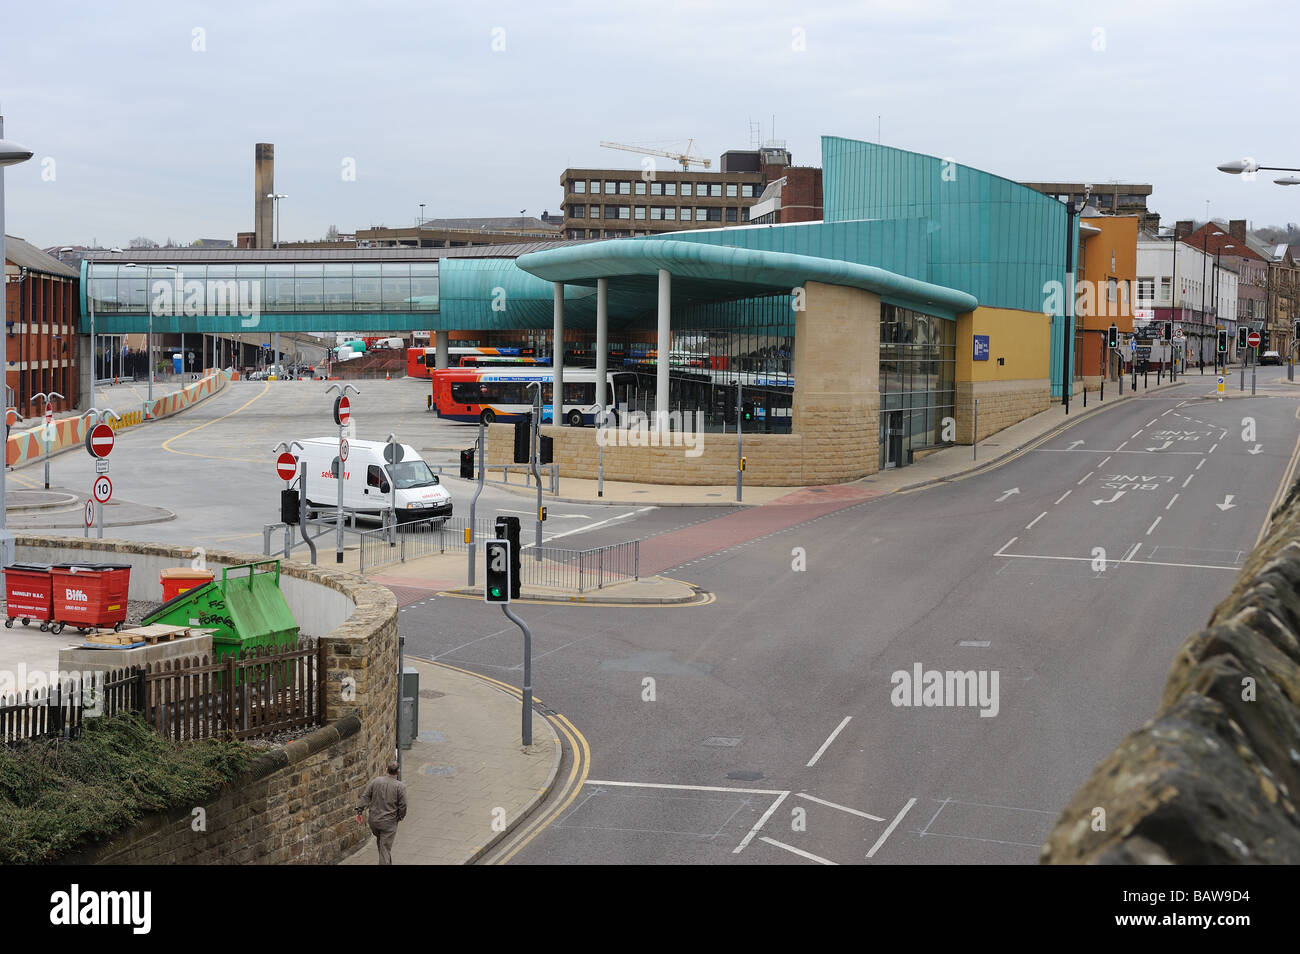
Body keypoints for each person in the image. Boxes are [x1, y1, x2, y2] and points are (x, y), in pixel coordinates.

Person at [355, 760, 407, 864]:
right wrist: (400, 817)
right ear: (398, 772)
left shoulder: (376, 781)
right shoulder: (400, 787)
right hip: (388, 823)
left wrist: (359, 811)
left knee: (382, 844)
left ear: (386, 770)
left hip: (374, 821)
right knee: (385, 848)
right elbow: (403, 805)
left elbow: (366, 796)